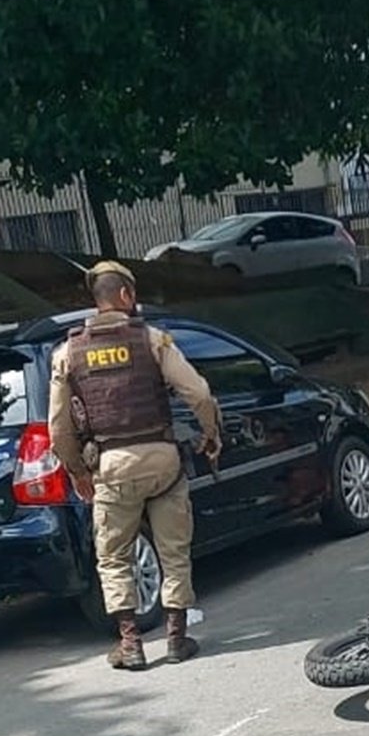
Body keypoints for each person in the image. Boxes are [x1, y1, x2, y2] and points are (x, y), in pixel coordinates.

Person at [48, 261, 223, 671]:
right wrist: (210, 435)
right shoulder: (154, 340)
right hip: (161, 459)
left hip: (111, 465)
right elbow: (198, 392)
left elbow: (58, 427)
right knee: (174, 550)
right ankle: (177, 637)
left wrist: (77, 471)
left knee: (113, 556)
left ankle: (131, 644)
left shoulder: (67, 352)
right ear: (126, 296)